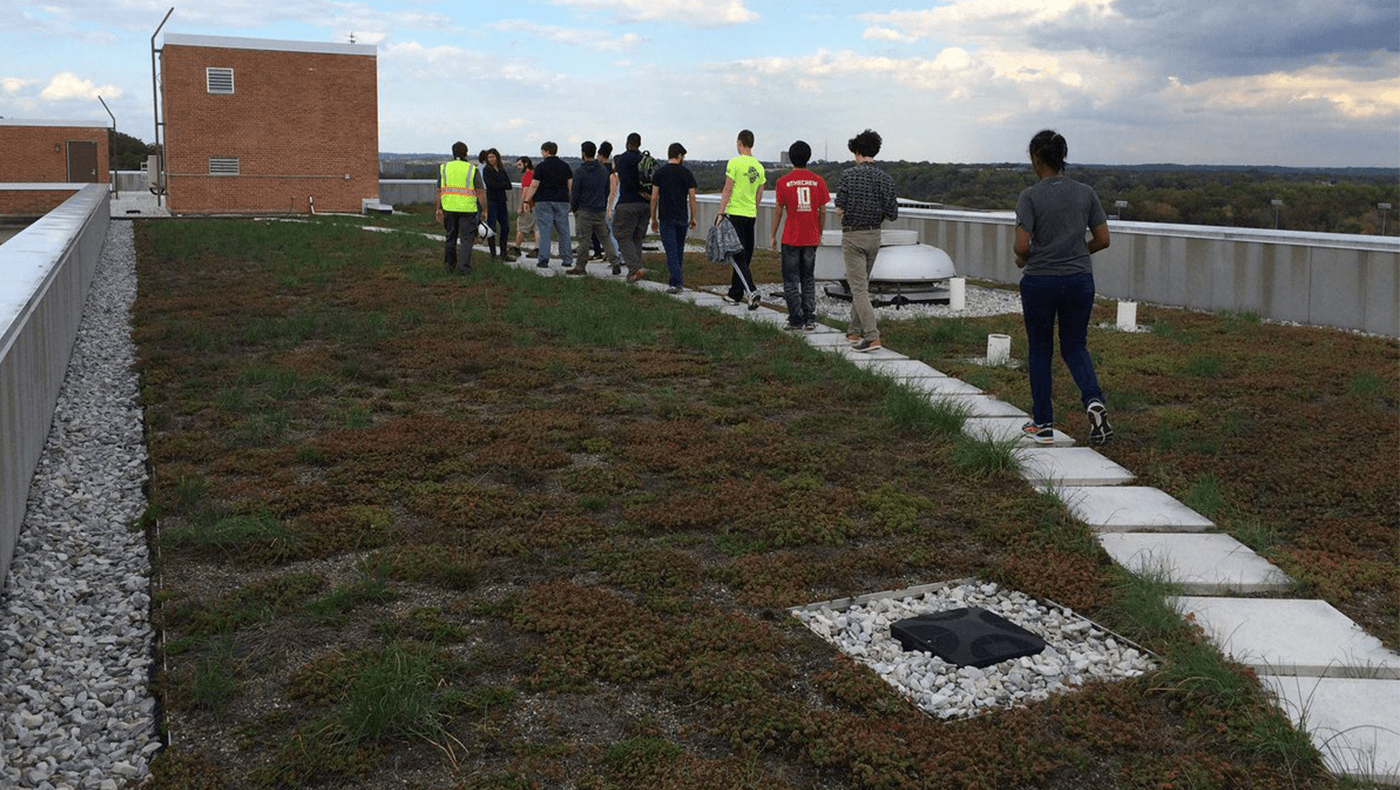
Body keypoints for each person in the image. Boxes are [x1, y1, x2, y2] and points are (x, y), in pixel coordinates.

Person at [1013, 129, 1114, 446]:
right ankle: (1093, 400)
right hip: (1079, 280)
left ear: (1035, 159)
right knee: (1074, 346)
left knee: (1040, 351)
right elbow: (1103, 239)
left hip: (1040, 281)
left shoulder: (1029, 196)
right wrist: (1078, 252)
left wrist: (1025, 258)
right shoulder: (1086, 192)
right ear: (1062, 158)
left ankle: (1043, 423)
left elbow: (1021, 245)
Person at [834, 129, 897, 351]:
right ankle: (853, 331)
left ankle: (872, 336)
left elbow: (839, 208)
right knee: (862, 284)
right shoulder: (886, 179)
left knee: (858, 288)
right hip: (874, 235)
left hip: (853, 236)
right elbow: (892, 213)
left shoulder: (848, 175)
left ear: (858, 152)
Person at [770, 140, 829, 330]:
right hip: (810, 236)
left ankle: (795, 319)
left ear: (791, 158)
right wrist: (819, 232)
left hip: (791, 237)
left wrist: (772, 234)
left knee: (791, 279)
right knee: (808, 278)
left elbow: (778, 210)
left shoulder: (782, 182)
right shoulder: (818, 181)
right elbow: (822, 211)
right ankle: (810, 318)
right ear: (808, 157)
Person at [717, 129, 765, 309]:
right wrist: (753, 209)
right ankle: (735, 294)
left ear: (739, 143)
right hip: (750, 214)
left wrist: (721, 212)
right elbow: (759, 194)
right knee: (745, 255)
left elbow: (727, 189)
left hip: (735, 213)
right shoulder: (759, 167)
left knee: (736, 256)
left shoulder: (734, 163)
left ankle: (751, 291)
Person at [649, 142, 698, 294]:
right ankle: (677, 280)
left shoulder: (660, 173)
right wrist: (693, 217)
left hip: (666, 217)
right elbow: (692, 197)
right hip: (682, 217)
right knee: (678, 250)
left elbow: (654, 198)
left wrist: (653, 218)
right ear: (679, 156)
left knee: (671, 250)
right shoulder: (687, 173)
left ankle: (676, 283)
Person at [567, 141, 620, 275]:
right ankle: (615, 262)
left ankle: (580, 266)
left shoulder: (580, 171)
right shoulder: (603, 170)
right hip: (599, 210)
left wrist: (574, 208)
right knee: (605, 238)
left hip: (584, 210)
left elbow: (575, 192)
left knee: (584, 240)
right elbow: (607, 190)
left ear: (583, 153)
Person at [522, 141, 573, 270]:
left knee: (545, 230)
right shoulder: (565, 166)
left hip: (544, 201)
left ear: (546, 151)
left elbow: (534, 185)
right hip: (562, 200)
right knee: (564, 230)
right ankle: (567, 258)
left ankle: (544, 259)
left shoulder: (541, 167)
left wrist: (527, 200)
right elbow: (570, 185)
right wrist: (569, 199)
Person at [436, 141, 485, 274]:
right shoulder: (471, 169)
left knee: (450, 237)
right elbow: (480, 191)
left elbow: (439, 190)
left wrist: (438, 209)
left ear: (453, 153)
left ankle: (449, 266)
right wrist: (484, 210)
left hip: (448, 207)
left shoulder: (445, 168)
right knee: (466, 240)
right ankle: (463, 268)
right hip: (467, 209)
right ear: (466, 153)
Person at [611, 132, 650, 282]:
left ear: (627, 143)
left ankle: (635, 268)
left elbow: (623, 180)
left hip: (627, 203)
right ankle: (634, 273)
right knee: (637, 238)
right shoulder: (644, 159)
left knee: (622, 235)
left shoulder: (623, 158)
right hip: (644, 205)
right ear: (639, 144)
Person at [481, 148, 515, 261]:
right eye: (489, 157)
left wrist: (498, 184)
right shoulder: (487, 170)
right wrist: (501, 184)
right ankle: (493, 254)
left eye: (493, 157)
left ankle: (503, 253)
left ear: (497, 158)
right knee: (492, 227)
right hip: (491, 201)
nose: (491, 159)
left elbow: (509, 185)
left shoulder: (501, 169)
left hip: (501, 200)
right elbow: (490, 185)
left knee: (505, 227)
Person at [592, 140, 616, 264]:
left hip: (599, 201)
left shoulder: (598, 169)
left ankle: (598, 251)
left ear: (600, 155)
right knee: (608, 230)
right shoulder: (612, 169)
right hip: (610, 200)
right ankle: (609, 252)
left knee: (596, 229)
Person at [514, 156, 537, 255]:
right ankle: (538, 249)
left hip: (529, 206)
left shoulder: (527, 176)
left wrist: (522, 205)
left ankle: (517, 248)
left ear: (526, 164)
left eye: (520, 164)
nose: (518, 167)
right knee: (536, 229)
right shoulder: (536, 174)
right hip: (537, 205)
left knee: (521, 228)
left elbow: (526, 191)